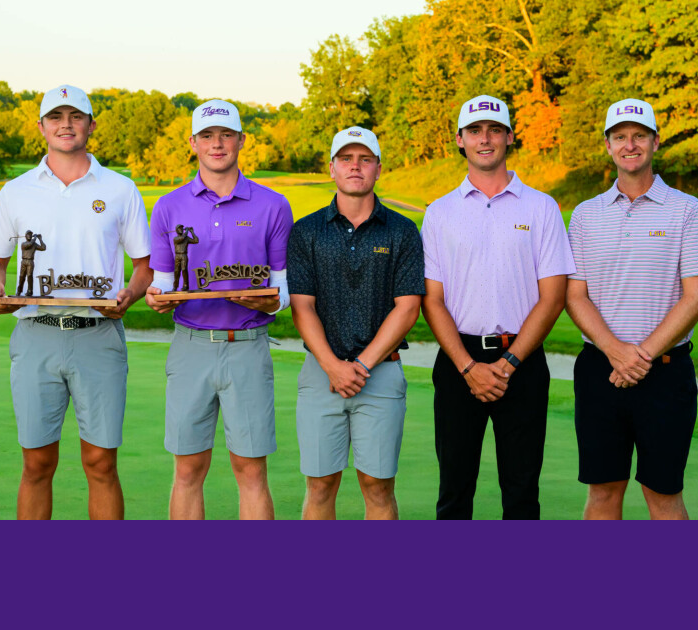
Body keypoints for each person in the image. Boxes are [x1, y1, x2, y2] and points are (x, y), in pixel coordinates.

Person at [0, 84, 152, 520]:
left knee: (101, 463)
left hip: (99, 335)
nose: (66, 125)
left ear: (91, 125)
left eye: (75, 116)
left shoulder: (120, 188)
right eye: (56, 117)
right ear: (41, 127)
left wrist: (129, 295)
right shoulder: (15, 191)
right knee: (37, 464)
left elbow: (144, 265)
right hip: (37, 335)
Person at [421, 95, 575, 520]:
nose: (484, 139)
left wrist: (506, 364)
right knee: (454, 491)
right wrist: (470, 367)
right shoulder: (439, 212)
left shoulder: (542, 207)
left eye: (493, 130)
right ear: (460, 140)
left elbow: (554, 296)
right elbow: (432, 300)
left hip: (521, 363)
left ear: (509, 137)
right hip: (458, 363)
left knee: (522, 492)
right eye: (474, 131)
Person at [565, 99, 698, 520]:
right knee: (603, 491)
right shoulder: (584, 215)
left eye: (639, 136)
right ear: (608, 146)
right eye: (620, 137)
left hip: (665, 374)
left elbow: (697, 297)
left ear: (655, 141)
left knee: (662, 493)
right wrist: (616, 351)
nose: (629, 145)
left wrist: (639, 356)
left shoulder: (688, 209)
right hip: (600, 371)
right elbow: (575, 296)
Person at [144, 100, 293, 520]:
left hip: (248, 345)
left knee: (250, 469)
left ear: (241, 140)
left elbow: (282, 291)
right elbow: (165, 284)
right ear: (192, 143)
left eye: (226, 134)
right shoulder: (169, 207)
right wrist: (157, 297)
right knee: (188, 468)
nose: (217, 144)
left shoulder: (273, 205)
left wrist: (268, 301)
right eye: (207, 136)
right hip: (191, 345)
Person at [286, 127, 423, 520]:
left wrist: (360, 367)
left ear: (379, 168)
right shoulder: (307, 230)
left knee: (378, 487)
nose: (355, 166)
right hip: (320, 374)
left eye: (365, 159)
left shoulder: (402, 230)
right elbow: (302, 307)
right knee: (319, 486)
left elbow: (408, 307)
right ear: (332, 168)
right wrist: (333, 365)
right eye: (346, 159)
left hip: (381, 374)